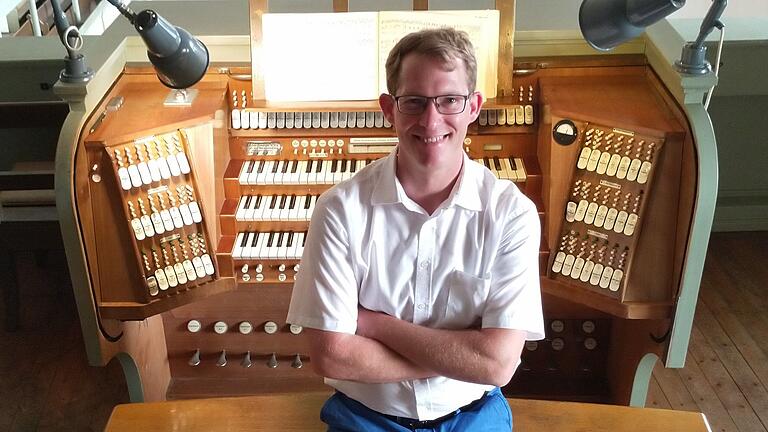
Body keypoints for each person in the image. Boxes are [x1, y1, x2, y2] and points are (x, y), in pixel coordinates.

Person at [287, 27, 544, 431]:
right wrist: (463, 357)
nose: (431, 119)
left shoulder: (512, 213)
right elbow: (332, 357)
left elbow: (496, 366)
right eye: (414, 102)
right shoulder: (339, 209)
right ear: (389, 108)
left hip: (472, 416)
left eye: (449, 101)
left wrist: (374, 324)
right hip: (366, 418)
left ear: (473, 106)